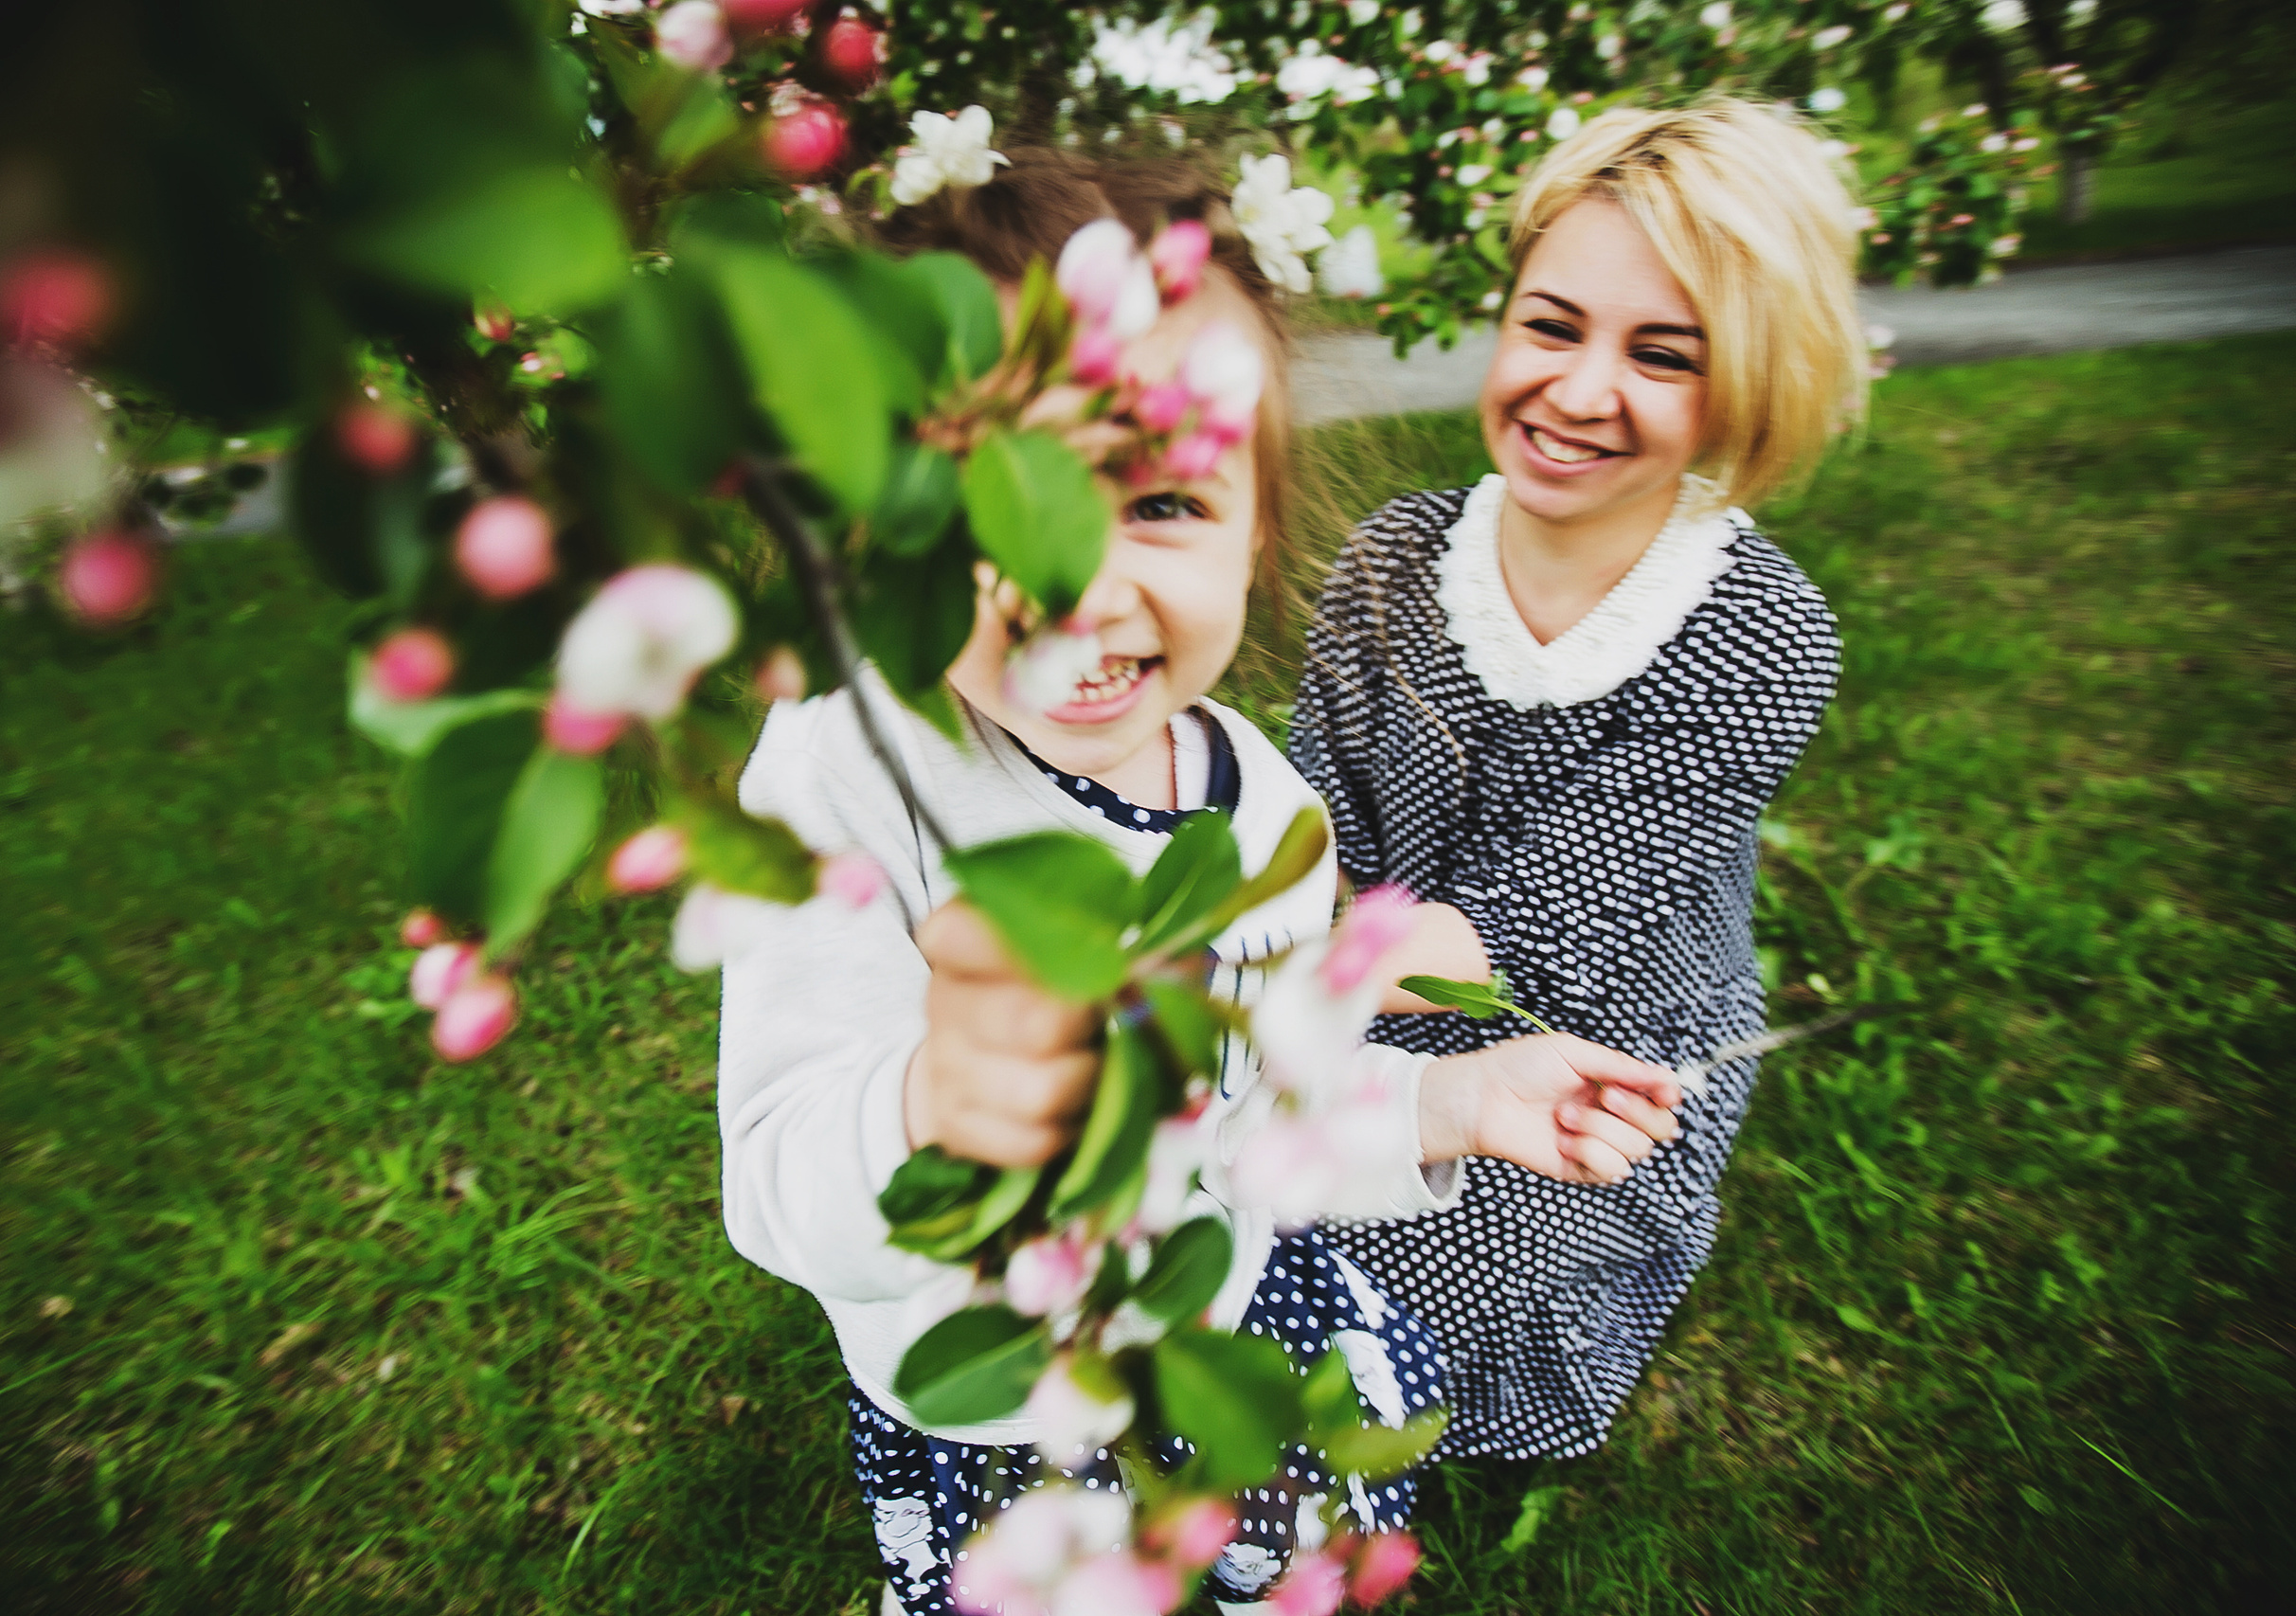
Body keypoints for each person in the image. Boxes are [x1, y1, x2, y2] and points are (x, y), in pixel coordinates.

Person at [715, 151, 1685, 1615]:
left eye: (1163, 500)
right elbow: (776, 1184)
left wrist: (1448, 1100)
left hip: (1214, 1312)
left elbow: (1260, 1108)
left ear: (1256, 534)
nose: (1084, 587)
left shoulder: (1266, 814)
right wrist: (926, 1107)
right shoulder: (850, 775)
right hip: (1006, 1413)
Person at [1289, 98, 1864, 1463]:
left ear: (1746, 388)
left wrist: (1231, 987)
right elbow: (1312, 837)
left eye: (1661, 355)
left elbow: (1535, 931)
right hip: (1365, 987)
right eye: (1554, 324)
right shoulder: (1389, 561)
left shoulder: (1762, 633)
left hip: (1597, 1056)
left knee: (1335, 1303)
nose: (1581, 389)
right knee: (1184, 1209)